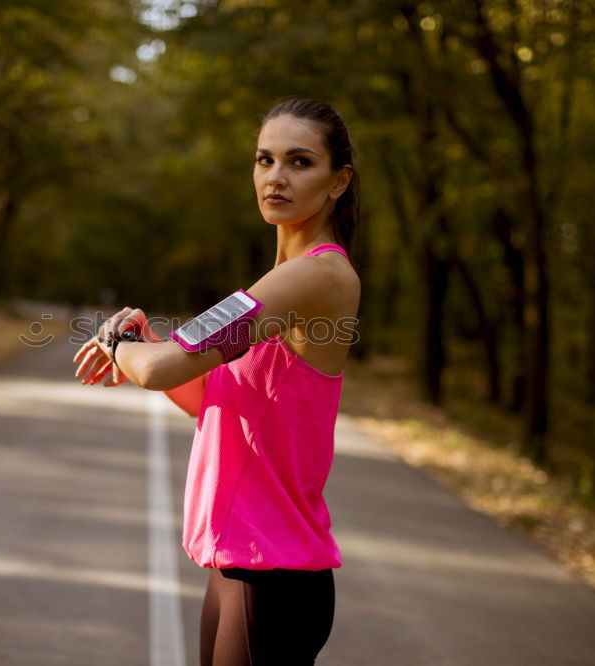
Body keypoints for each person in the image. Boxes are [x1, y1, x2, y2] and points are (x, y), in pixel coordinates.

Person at [72, 97, 361, 666]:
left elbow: (160, 371)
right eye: (264, 160)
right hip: (239, 568)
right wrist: (145, 345)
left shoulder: (315, 276)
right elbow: (211, 395)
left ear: (338, 181)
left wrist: (122, 345)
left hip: (273, 578)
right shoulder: (279, 282)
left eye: (299, 162)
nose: (275, 177)